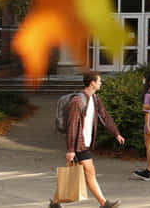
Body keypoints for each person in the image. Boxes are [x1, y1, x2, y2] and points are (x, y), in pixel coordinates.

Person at [50, 71, 124, 208]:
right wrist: (71, 149)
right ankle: (104, 204)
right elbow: (72, 125)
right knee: (90, 173)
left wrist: (116, 133)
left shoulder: (95, 99)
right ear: (92, 83)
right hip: (79, 143)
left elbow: (105, 117)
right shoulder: (78, 101)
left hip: (85, 142)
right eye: (99, 81)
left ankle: (54, 203)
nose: (101, 83)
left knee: (74, 172)